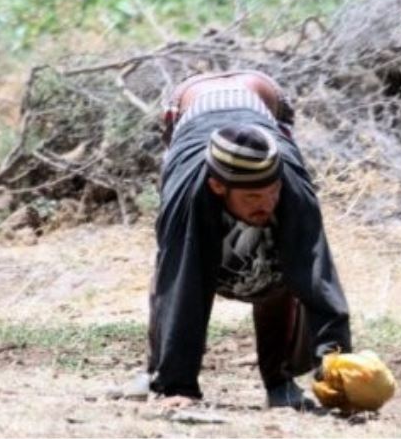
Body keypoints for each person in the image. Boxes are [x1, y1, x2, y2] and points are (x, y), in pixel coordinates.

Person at [137, 69, 352, 410]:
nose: (266, 203)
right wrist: (178, 387)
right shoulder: (191, 194)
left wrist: (339, 365)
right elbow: (183, 282)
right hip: (189, 101)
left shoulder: (291, 185)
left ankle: (279, 380)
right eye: (252, 198)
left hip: (262, 94)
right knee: (179, 261)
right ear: (218, 186)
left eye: (271, 193)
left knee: (277, 261)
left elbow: (314, 271)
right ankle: (162, 372)